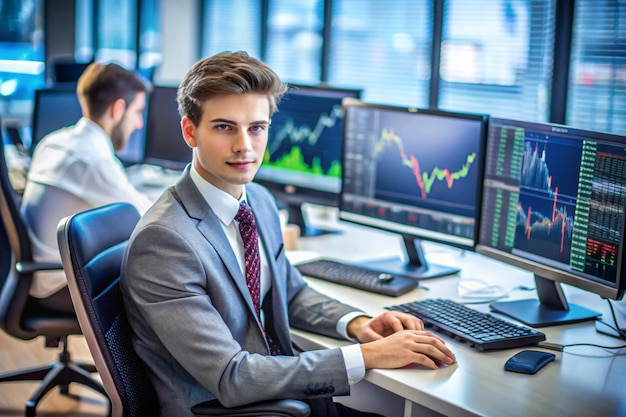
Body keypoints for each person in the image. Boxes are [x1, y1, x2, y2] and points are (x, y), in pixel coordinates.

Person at [120, 51, 456, 417]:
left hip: (282, 396)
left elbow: (290, 292)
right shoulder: (165, 241)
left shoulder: (259, 201)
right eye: (224, 127)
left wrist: (358, 324)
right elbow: (232, 376)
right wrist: (367, 356)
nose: (244, 146)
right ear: (190, 131)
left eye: (257, 127)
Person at [21, 62, 153, 313]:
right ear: (118, 109)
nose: (138, 124)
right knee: (157, 287)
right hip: (57, 285)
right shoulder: (91, 160)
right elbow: (150, 218)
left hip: (35, 276)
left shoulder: (55, 141)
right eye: (138, 112)